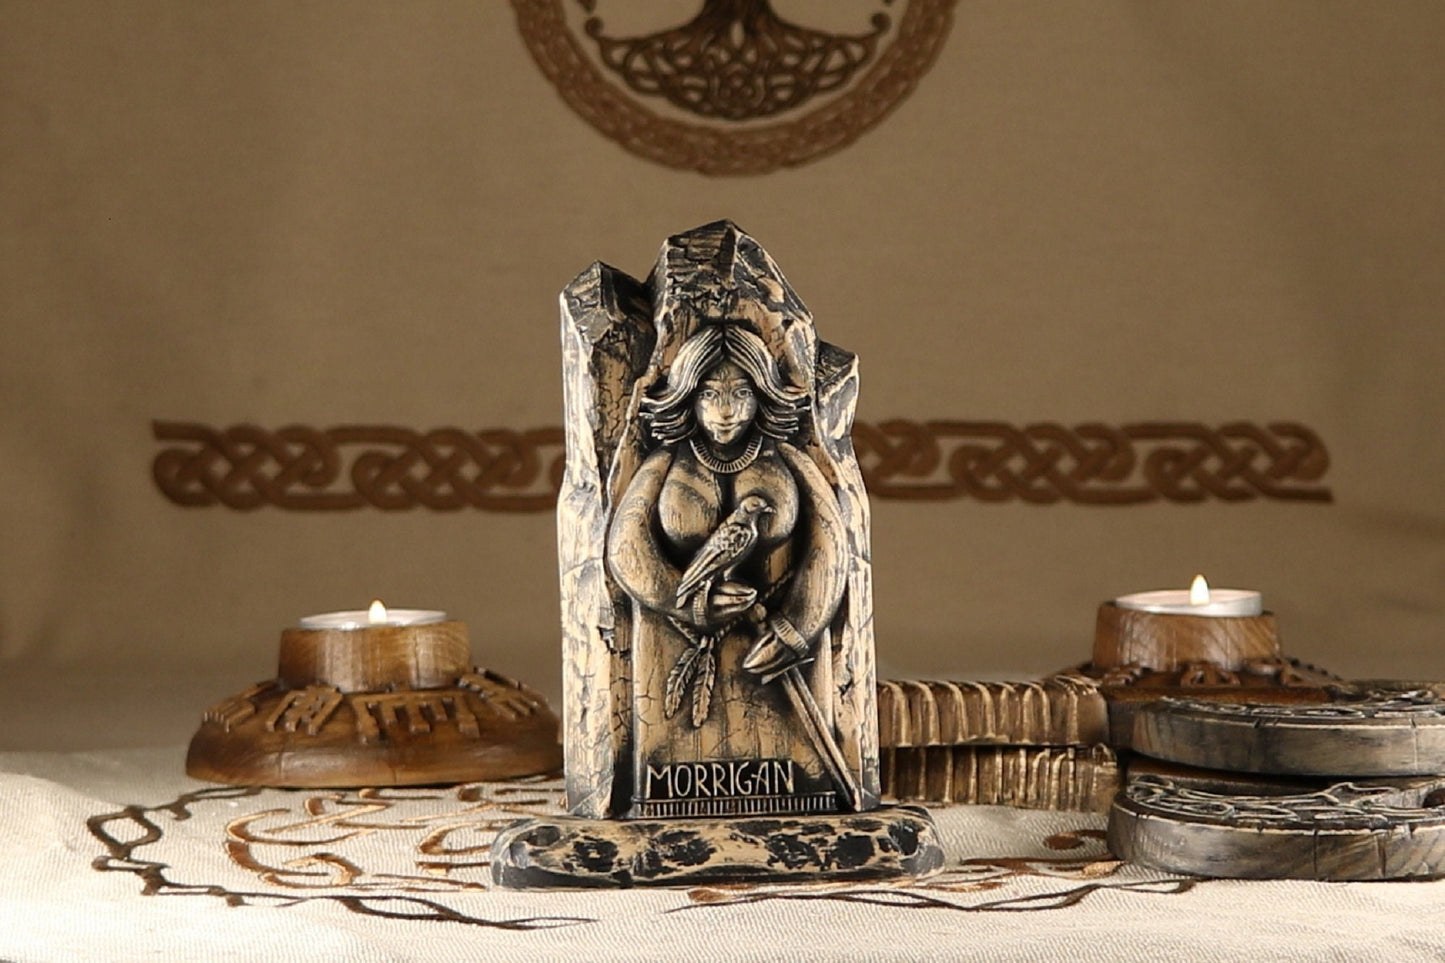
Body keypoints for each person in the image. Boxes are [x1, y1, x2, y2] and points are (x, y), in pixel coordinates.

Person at [606, 322, 851, 817]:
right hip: (674, 642)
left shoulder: (787, 460)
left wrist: (798, 626)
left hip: (778, 650)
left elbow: (829, 543)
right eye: (710, 394)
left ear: (762, 395)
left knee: (802, 770)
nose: (725, 411)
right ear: (687, 397)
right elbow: (626, 545)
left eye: (740, 394)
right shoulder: (666, 463)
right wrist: (683, 599)